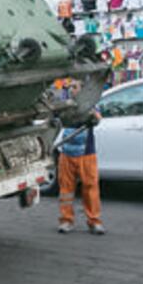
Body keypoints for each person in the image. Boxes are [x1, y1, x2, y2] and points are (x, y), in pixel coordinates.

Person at [57, 81, 104, 235]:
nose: (72, 90)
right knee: (66, 190)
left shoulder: (89, 104)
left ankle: (94, 221)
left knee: (90, 188)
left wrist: (93, 116)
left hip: (86, 153)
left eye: (75, 87)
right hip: (67, 153)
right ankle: (66, 220)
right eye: (70, 87)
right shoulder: (65, 104)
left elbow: (98, 117)